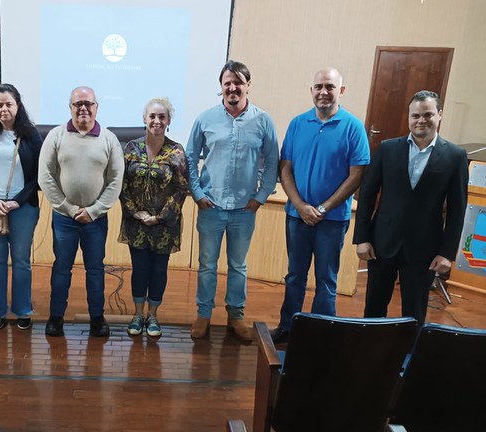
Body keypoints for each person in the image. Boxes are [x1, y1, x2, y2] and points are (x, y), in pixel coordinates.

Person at [271, 67, 370, 343]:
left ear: (341, 91)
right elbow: (285, 168)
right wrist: (301, 205)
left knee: (326, 280)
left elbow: (357, 174)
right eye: (319, 87)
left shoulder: (353, 126)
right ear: (311, 91)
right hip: (296, 217)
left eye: (330, 86)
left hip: (333, 219)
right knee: (295, 276)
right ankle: (288, 327)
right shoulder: (297, 124)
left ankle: (320, 334)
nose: (324, 92)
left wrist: (323, 208)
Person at [354, 90, 468, 323]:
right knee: (374, 308)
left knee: (414, 313)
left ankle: (407, 357)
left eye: (428, 114)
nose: (421, 121)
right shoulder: (387, 149)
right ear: (408, 117)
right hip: (382, 242)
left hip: (425, 248)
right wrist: (362, 237)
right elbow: (367, 195)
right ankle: (369, 356)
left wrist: (447, 253)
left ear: (439, 115)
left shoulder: (455, 156)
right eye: (415, 115)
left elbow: (457, 209)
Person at [185, 61, 279, 340]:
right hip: (210, 206)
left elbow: (273, 161)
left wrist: (261, 196)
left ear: (248, 85)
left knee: (238, 266)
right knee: (207, 265)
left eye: (238, 82)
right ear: (221, 86)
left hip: (244, 209)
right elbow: (190, 158)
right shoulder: (205, 119)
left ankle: (235, 317)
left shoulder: (263, 121)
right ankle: (204, 315)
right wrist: (197, 194)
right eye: (228, 82)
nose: (233, 87)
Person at [38, 86, 124, 337]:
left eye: (88, 103)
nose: (83, 108)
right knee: (61, 268)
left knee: (95, 270)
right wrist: (69, 208)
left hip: (96, 220)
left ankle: (97, 318)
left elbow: (116, 179)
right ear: (70, 107)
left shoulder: (108, 139)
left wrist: (94, 210)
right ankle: (56, 317)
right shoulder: (55, 136)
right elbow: (45, 177)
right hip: (65, 218)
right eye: (78, 104)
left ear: (97, 107)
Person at [0, 84, 43, 330]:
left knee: (21, 260)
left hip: (23, 207)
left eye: (8, 104)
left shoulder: (31, 135)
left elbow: (38, 176)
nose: (4, 109)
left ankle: (23, 310)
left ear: (18, 105)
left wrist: (18, 200)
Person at [119, 97, 189, 337]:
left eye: (162, 117)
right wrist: (136, 213)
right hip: (135, 223)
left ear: (168, 121)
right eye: (152, 116)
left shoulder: (176, 150)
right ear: (144, 119)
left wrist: (159, 217)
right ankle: (138, 315)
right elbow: (122, 185)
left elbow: (181, 189)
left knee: (159, 270)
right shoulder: (131, 148)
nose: (157, 121)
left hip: (164, 225)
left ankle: (154, 317)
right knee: (140, 269)